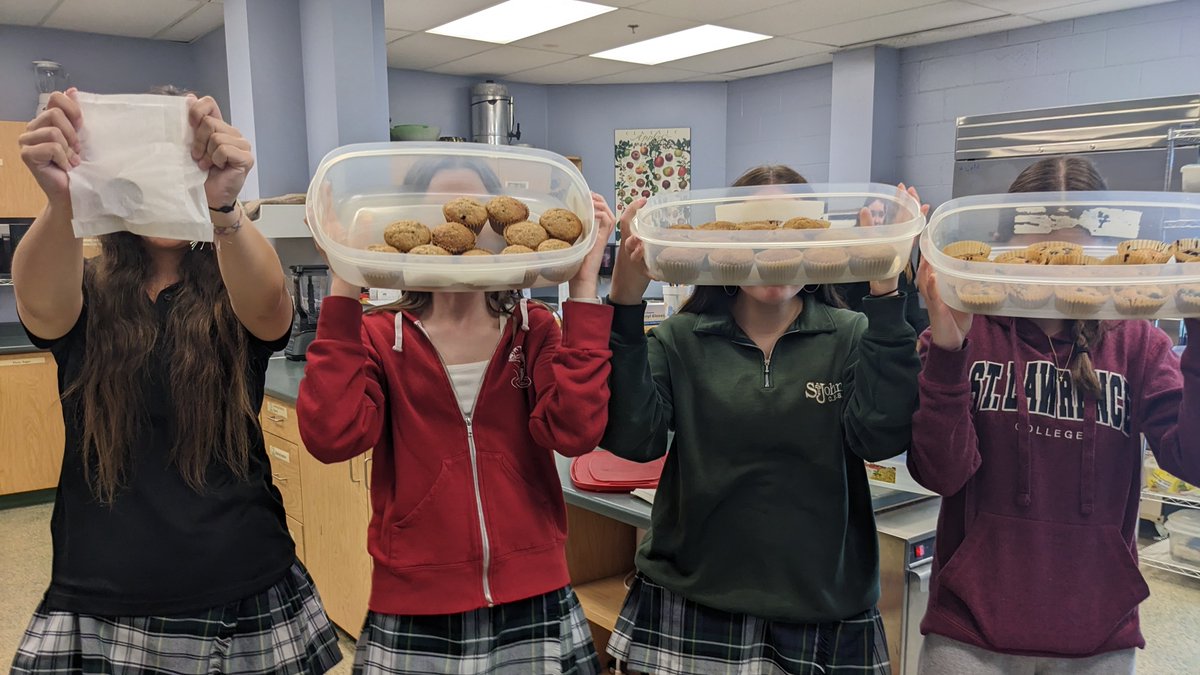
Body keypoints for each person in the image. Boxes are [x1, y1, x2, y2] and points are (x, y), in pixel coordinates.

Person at [10, 87, 340, 674]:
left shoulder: (232, 274)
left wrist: (223, 209)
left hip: (242, 581)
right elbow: (41, 306)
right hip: (102, 588)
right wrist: (63, 202)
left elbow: (269, 309)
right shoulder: (84, 282)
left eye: (182, 157)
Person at [600, 164, 926, 675]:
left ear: (818, 240)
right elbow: (636, 440)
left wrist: (886, 289)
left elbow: (880, 438)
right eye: (755, 230)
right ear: (726, 240)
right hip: (691, 602)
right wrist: (624, 303)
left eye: (790, 229)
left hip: (823, 607)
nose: (773, 249)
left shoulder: (854, 334)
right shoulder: (680, 339)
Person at [296, 161, 617, 674]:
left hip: (534, 592)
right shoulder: (381, 337)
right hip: (415, 602)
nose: (460, 233)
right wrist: (342, 279)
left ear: (501, 232)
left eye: (476, 217)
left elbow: (575, 433)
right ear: (419, 232)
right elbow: (331, 436)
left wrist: (581, 289)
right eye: (444, 218)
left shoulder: (534, 329)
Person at [910, 155, 1200, 674]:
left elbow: (1194, 462)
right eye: (1041, 254)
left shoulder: (1136, 344)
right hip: (970, 632)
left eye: (1074, 255)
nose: (1057, 268)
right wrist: (950, 351)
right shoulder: (964, 330)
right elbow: (940, 472)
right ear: (1002, 250)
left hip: (1098, 634)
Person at [837, 195, 929, 333]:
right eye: (872, 213)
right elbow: (843, 301)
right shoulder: (848, 253)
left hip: (895, 332)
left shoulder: (898, 255)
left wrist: (924, 335)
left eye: (881, 214)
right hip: (860, 332)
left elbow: (911, 303)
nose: (877, 219)